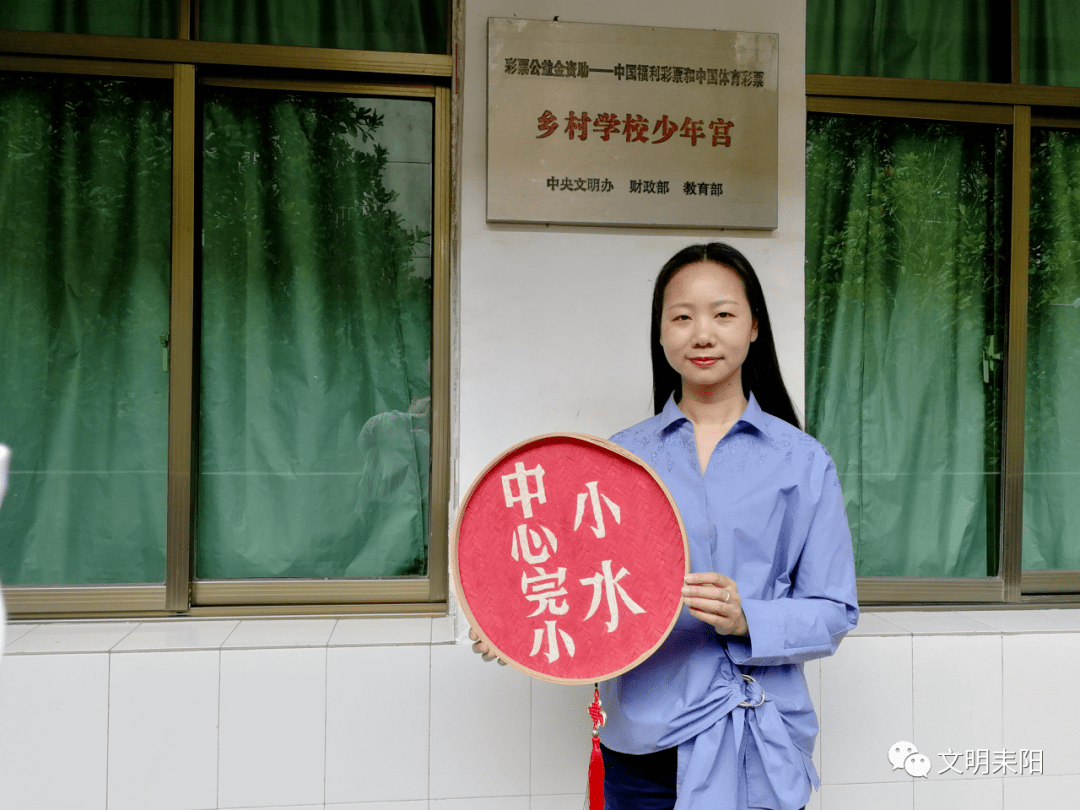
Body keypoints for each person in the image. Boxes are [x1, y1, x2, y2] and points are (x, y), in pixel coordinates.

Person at [471, 242, 858, 810]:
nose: (702, 333)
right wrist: (511, 621)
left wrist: (749, 616)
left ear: (754, 327)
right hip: (642, 747)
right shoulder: (616, 461)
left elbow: (834, 609)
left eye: (723, 314)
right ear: (660, 333)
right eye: (682, 317)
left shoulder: (802, 462)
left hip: (757, 737)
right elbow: (573, 576)